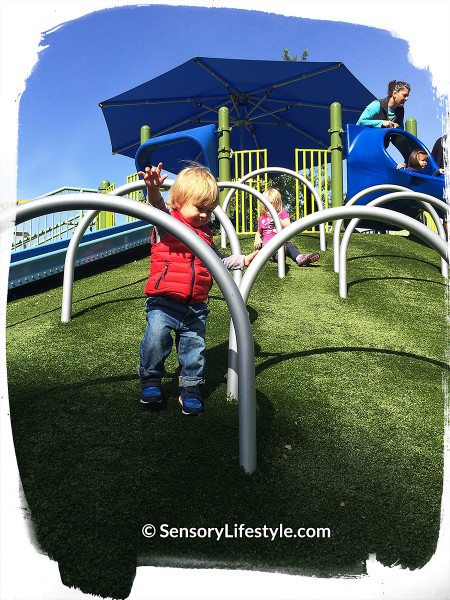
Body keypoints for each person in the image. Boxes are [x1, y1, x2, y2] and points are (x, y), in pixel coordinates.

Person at [137, 162, 258, 416]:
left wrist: (243, 260)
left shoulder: (205, 236)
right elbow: (156, 209)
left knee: (194, 349)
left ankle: (191, 389)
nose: (204, 215)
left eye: (209, 210)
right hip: (164, 300)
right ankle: (150, 380)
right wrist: (153, 190)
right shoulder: (168, 224)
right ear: (179, 201)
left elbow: (217, 260)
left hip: (195, 306)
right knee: (156, 339)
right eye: (199, 208)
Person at [253, 188, 320, 267]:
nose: (268, 206)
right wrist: (257, 237)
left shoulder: (282, 213)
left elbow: (288, 225)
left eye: (271, 203)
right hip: (268, 244)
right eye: (265, 203)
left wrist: (277, 219)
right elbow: (259, 231)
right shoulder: (262, 218)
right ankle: (281, 256)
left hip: (282, 242)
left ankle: (300, 258)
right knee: (274, 251)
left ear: (277, 203)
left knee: (290, 245)